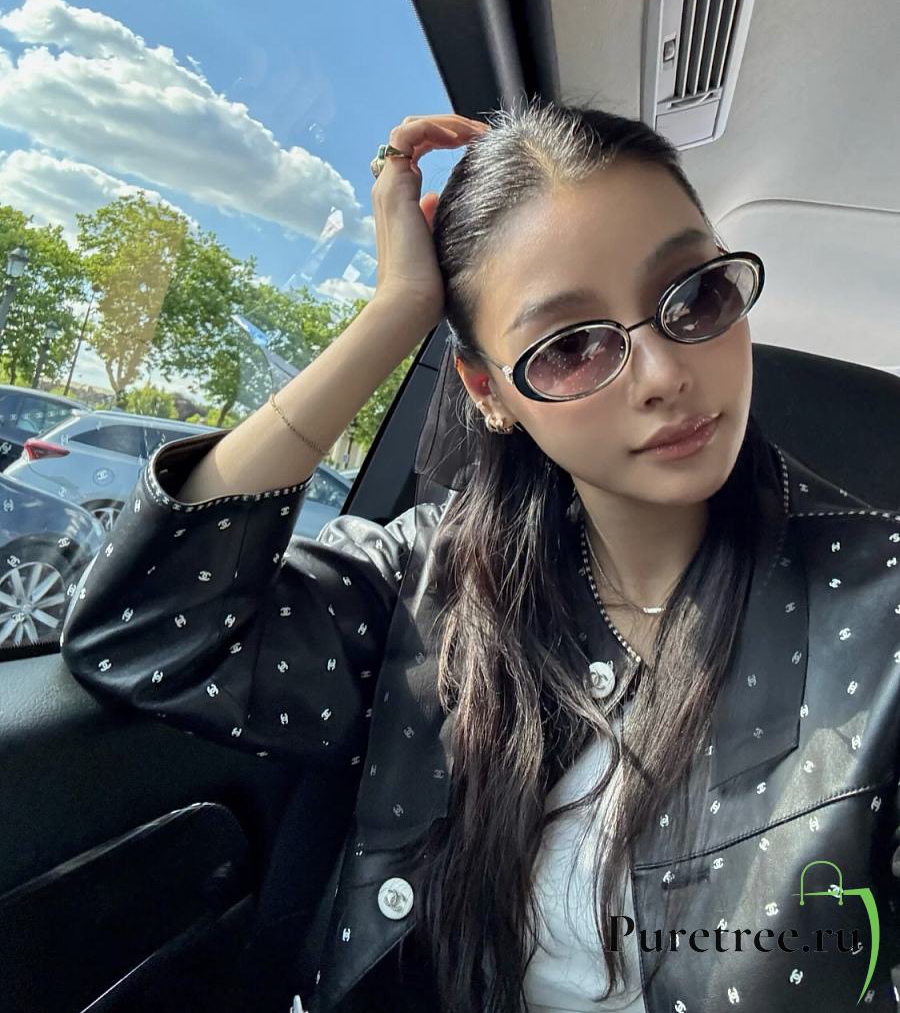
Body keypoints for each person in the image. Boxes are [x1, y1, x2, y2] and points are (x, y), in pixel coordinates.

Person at [60, 98, 900, 1013]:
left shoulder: (880, 614)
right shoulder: (431, 580)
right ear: (488, 391)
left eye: (694, 294)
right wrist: (395, 313)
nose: (665, 375)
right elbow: (148, 633)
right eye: (570, 347)